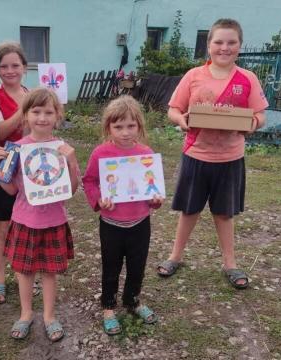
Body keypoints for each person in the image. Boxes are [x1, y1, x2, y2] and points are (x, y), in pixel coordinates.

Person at [157, 19, 268, 289]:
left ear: (240, 46)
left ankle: (230, 263)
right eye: (218, 42)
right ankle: (175, 256)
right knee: (189, 210)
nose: (224, 48)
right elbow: (174, 109)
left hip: (230, 158)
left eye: (231, 42)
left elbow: (260, 115)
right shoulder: (193, 76)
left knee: (224, 213)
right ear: (209, 45)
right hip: (196, 154)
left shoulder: (247, 79)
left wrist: (251, 124)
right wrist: (180, 121)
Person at [0, 88, 80, 341]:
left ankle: (49, 315)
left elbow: (70, 191)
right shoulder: (16, 149)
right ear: (25, 116)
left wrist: (72, 164)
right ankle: (26, 313)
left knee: (49, 272)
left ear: (57, 115)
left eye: (48, 112)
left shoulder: (63, 149)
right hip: (24, 220)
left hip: (54, 221)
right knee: (24, 271)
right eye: (36, 112)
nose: (42, 117)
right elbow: (11, 189)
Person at [82, 95, 163, 335]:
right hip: (111, 224)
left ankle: (132, 299)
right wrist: (98, 199)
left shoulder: (145, 153)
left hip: (140, 222)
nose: (125, 132)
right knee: (111, 266)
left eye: (131, 126)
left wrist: (155, 200)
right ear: (108, 127)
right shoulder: (100, 153)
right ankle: (108, 306)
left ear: (139, 125)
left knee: (137, 265)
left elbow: (151, 187)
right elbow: (89, 181)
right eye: (118, 127)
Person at [0, 42, 41, 304]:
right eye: (3, 66)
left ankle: (25, 275)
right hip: (4, 167)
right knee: (4, 226)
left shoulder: (34, 93)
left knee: (28, 226)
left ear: (24, 67)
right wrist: (25, 108)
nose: (9, 70)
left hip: (30, 170)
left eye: (15, 65)